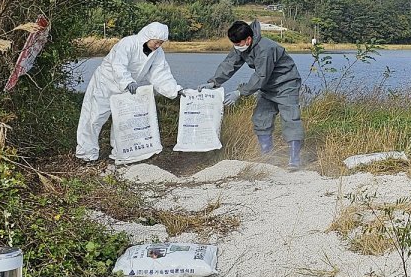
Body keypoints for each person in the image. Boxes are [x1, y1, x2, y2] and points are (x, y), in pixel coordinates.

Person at [75, 22, 192, 162]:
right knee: (94, 117)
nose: (158, 46)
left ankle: (121, 153)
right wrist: (127, 81)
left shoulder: (157, 53)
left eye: (161, 43)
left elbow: (160, 74)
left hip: (129, 88)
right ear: (148, 37)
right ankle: (86, 155)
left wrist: (176, 90)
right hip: (105, 83)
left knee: (124, 121)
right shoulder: (128, 43)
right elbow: (118, 65)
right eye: (157, 42)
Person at [201, 20, 304, 168]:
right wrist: (213, 82)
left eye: (238, 44)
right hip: (267, 87)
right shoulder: (242, 45)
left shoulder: (265, 49)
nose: (236, 47)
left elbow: (261, 76)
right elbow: (230, 63)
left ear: (248, 39)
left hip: (286, 84)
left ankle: (295, 159)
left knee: (290, 119)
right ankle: (267, 157)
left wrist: (239, 92)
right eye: (234, 44)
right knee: (260, 118)